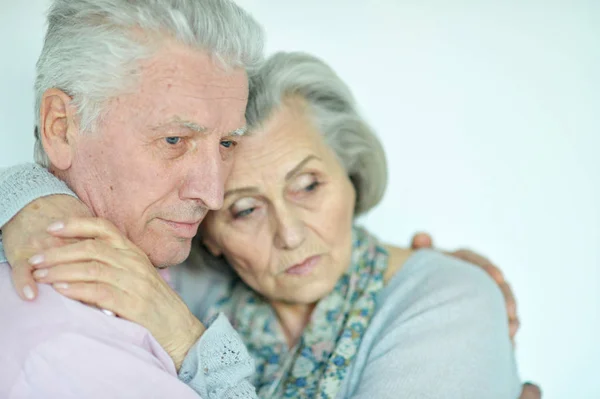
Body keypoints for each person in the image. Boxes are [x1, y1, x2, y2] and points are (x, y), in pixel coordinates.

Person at [0, 52, 540, 398]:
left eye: (308, 186)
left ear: (351, 172)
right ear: (202, 224)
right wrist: (31, 199)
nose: (289, 234)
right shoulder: (197, 285)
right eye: (244, 209)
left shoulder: (450, 302)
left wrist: (190, 342)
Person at [0, 0, 265, 397]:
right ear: (61, 128)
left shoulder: (159, 260)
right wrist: (198, 348)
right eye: (174, 140)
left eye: (227, 142)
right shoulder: (75, 353)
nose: (212, 194)